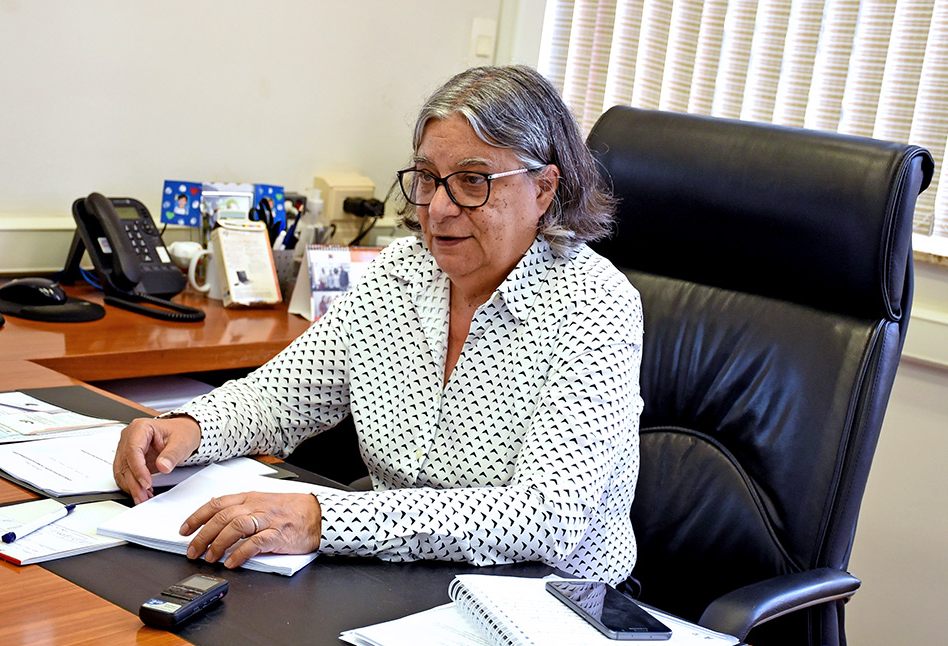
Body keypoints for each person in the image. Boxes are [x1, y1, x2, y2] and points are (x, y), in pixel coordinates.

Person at [113, 64, 644, 585]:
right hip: (395, 581)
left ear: (544, 189)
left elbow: (544, 518)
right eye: (428, 179)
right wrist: (185, 429)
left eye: (471, 181)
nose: (438, 207)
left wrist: (326, 520)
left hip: (544, 608)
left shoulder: (595, 307)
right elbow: (279, 399)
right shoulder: (400, 272)